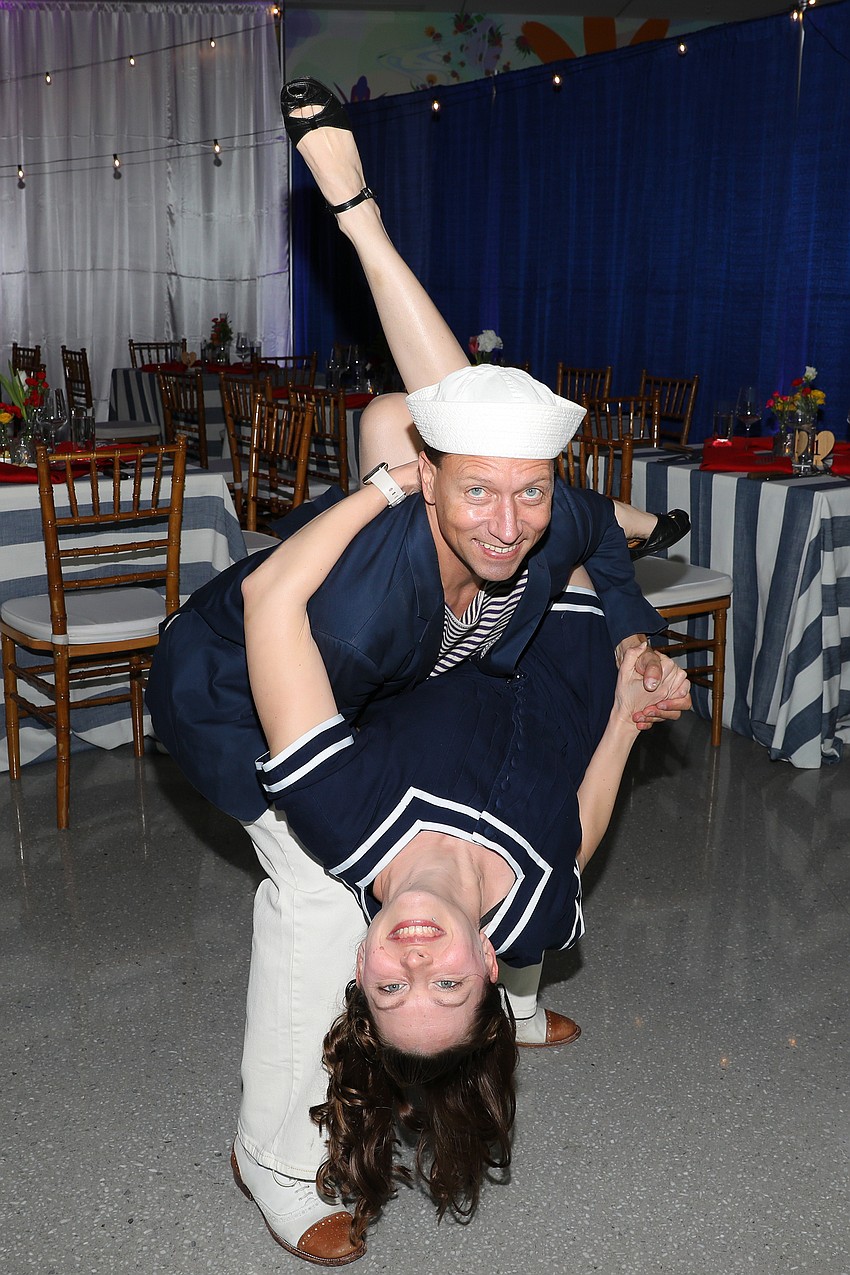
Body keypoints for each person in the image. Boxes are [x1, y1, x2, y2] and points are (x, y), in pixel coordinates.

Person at [146, 78, 691, 1266]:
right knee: (315, 885)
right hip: (254, 685)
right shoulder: (375, 581)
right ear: (428, 481)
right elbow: (285, 606)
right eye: (471, 487)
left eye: (526, 492)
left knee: (501, 837)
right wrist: (357, 221)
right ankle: (273, 1157)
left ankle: (511, 996)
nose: (506, 519)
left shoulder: (516, 521)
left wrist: (627, 597)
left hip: (385, 643)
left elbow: (519, 482)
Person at [237, 455, 689, 1248]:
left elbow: (271, 601)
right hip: (576, 647)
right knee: (554, 511)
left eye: (388, 987)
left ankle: (611, 518)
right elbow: (578, 832)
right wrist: (629, 711)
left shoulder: (340, 814)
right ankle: (614, 522)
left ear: (360, 966)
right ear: (486, 959)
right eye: (444, 983)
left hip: (498, 610)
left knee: (448, 447)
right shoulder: (534, 914)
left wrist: (388, 483)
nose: (413, 961)